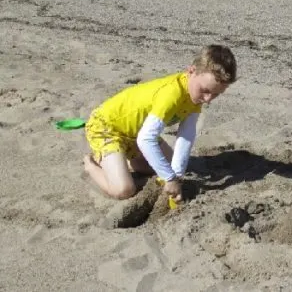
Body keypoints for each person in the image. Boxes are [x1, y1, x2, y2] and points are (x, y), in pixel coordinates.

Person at [83, 44, 237, 201]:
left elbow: (186, 135)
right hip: (107, 127)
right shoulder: (172, 94)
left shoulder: (194, 96)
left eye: (216, 94)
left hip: (136, 131)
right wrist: (169, 179)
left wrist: (176, 176)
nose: (208, 99)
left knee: (170, 166)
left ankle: (122, 162)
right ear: (191, 71)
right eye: (205, 90)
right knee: (124, 190)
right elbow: (146, 139)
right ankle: (91, 165)